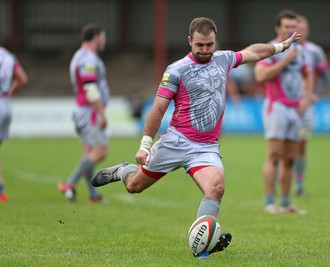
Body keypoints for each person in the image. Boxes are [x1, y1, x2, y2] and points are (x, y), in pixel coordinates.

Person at [91, 17, 300, 257]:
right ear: (190, 41)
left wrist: (280, 47)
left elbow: (251, 52)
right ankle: (122, 171)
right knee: (134, 186)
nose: (204, 50)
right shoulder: (176, 70)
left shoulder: (224, 59)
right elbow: (158, 109)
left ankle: (203, 244)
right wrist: (145, 145)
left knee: (216, 188)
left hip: (205, 147)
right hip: (175, 142)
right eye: (199, 45)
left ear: (215, 42)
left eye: (209, 45)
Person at [254, 10, 313, 214]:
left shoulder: (301, 51)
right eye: (286, 26)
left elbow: (307, 74)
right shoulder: (271, 49)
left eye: (293, 26)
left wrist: (306, 97)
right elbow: (260, 75)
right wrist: (285, 61)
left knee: (290, 158)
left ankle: (286, 203)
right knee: (275, 155)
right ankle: (270, 202)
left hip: (294, 109)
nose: (290, 30)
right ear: (278, 28)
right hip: (275, 107)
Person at [58, 23, 109, 203]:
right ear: (95, 37)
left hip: (82, 110)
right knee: (100, 151)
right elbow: (89, 86)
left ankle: (93, 195)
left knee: (88, 154)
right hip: (90, 111)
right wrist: (101, 113)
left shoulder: (79, 55)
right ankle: (69, 183)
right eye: (103, 37)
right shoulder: (88, 58)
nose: (104, 41)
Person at [294, 15, 330, 196]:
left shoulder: (315, 51)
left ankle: (299, 186)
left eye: (304, 27)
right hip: (285, 104)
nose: (301, 31)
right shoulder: (284, 49)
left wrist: (314, 93)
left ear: (308, 30)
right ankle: (282, 185)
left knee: (301, 146)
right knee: (281, 147)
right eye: (297, 28)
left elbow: (326, 76)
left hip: (306, 104)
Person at [0, 46, 28, 202]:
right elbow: (22, 79)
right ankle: (1, 192)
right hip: (5, 104)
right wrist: (9, 92)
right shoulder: (8, 56)